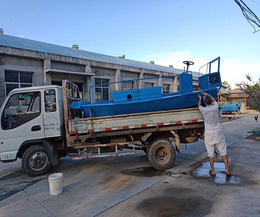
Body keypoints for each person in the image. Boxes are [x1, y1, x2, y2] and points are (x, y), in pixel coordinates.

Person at [198, 93, 231, 176]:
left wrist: (200, 99)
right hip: (218, 132)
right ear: (211, 102)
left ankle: (213, 171)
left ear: (205, 102)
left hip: (209, 134)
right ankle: (227, 169)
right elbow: (214, 99)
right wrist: (207, 94)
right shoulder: (215, 107)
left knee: (210, 153)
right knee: (223, 151)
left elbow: (198, 105)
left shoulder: (203, 110)